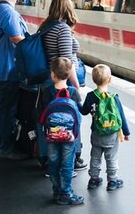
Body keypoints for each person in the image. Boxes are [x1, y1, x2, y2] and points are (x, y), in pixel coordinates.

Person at [36, 0, 86, 171]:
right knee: (70, 119)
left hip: (49, 80)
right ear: (68, 9)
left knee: (50, 120)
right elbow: (66, 61)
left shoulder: (45, 26)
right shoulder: (62, 29)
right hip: (62, 82)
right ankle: (72, 157)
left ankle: (47, 157)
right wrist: (77, 87)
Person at [0, 0, 29, 160]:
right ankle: (7, 148)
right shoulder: (7, 11)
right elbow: (16, 38)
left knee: (6, 108)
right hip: (7, 68)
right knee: (8, 110)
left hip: (2, 65)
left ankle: (6, 145)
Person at [40, 57, 84, 205]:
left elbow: (42, 115)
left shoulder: (46, 91)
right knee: (67, 164)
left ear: (52, 74)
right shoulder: (73, 92)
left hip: (51, 136)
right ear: (70, 73)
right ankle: (66, 193)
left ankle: (56, 190)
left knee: (53, 161)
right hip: (69, 137)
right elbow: (80, 113)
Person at [80, 64, 130, 191]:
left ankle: (93, 179)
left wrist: (76, 102)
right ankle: (112, 181)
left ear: (93, 80)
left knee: (95, 156)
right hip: (112, 134)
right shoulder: (114, 98)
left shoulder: (91, 96)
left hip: (96, 133)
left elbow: (84, 111)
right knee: (111, 157)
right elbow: (121, 117)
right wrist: (126, 132)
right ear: (110, 79)